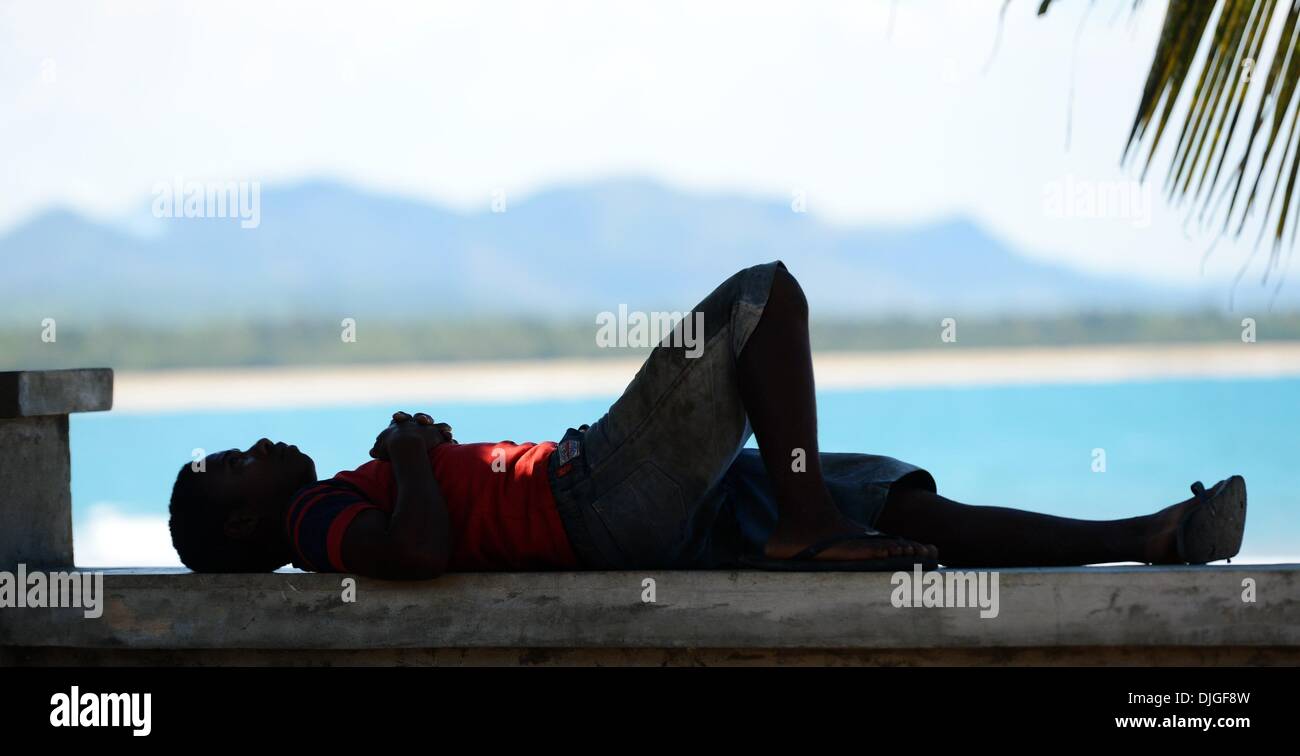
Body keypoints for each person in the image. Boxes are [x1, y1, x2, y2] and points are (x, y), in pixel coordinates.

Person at [168, 261, 1247, 578]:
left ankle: (1147, 538)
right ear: (244, 529)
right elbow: (417, 551)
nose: (255, 450)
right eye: (231, 468)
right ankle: (803, 519)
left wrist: (413, 462)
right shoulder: (314, 522)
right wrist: (408, 454)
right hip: (591, 498)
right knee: (759, 301)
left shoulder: (313, 507)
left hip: (641, 517)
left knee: (913, 514)